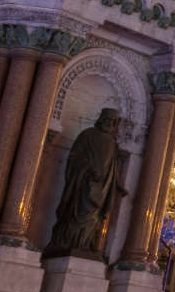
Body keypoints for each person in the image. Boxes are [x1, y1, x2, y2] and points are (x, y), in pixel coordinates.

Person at [45, 107, 122, 258]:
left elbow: (113, 168)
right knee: (78, 213)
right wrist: (87, 169)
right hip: (83, 185)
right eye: (107, 119)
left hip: (102, 188)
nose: (109, 123)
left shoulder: (113, 143)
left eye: (112, 121)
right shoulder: (87, 135)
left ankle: (85, 243)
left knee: (94, 217)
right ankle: (69, 243)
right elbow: (74, 158)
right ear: (100, 119)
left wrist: (115, 184)